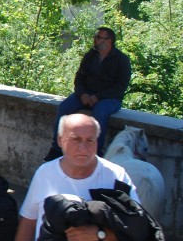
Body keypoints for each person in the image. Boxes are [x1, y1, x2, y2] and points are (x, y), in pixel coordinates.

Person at [11, 114, 139, 241]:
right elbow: (28, 222)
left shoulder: (116, 176)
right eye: (76, 139)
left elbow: (138, 234)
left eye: (90, 140)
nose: (83, 148)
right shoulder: (45, 173)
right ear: (60, 140)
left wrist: (99, 234)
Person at [44, 27, 131, 161]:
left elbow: (121, 86)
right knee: (64, 107)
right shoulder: (90, 55)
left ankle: (95, 153)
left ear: (109, 41)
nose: (95, 40)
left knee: (100, 112)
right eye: (95, 37)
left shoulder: (121, 59)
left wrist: (98, 97)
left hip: (109, 98)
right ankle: (57, 148)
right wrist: (82, 94)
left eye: (99, 37)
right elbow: (79, 77)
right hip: (86, 93)